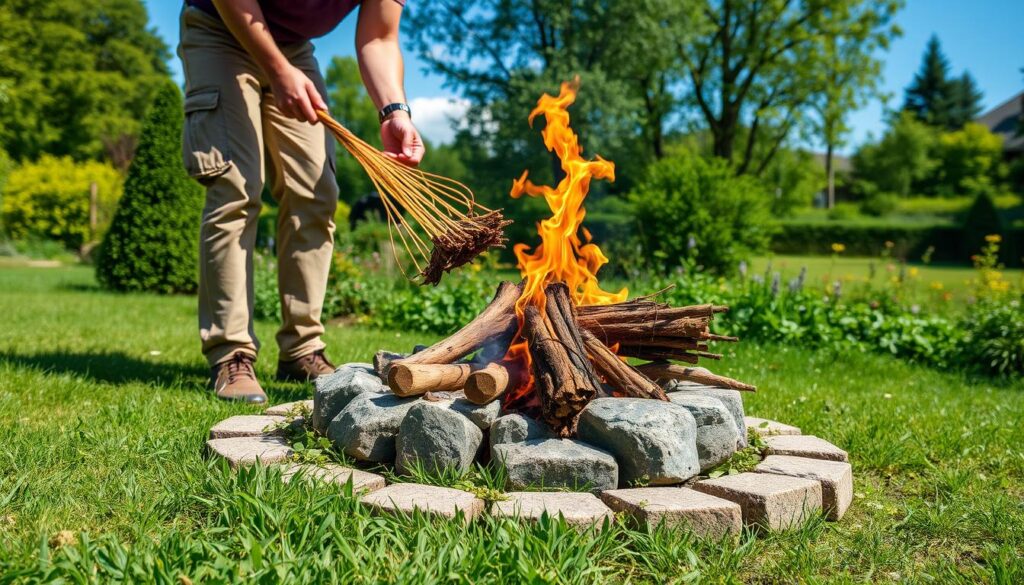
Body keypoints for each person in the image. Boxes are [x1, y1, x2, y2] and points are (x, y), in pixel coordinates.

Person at [179, 0, 425, 403]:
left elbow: (380, 36)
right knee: (236, 185)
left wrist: (394, 112)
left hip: (294, 47)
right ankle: (231, 353)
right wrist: (276, 70)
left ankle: (301, 349)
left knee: (315, 193)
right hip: (221, 26)